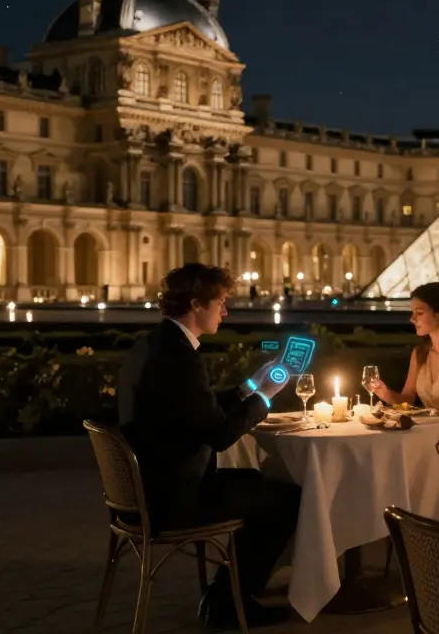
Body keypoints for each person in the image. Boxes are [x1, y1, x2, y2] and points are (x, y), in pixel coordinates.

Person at [118, 264, 300, 628]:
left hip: (146, 489)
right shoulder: (180, 358)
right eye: (221, 302)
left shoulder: (155, 344)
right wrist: (264, 398)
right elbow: (220, 434)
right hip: (175, 497)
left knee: (253, 479)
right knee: (288, 499)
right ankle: (230, 603)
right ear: (197, 303)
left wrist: (248, 387)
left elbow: (193, 407)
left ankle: (226, 594)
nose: (226, 311)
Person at [369, 281, 439, 413]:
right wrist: (386, 394)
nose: (412, 319)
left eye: (419, 313)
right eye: (412, 312)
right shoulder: (420, 354)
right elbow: (408, 400)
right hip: (426, 430)